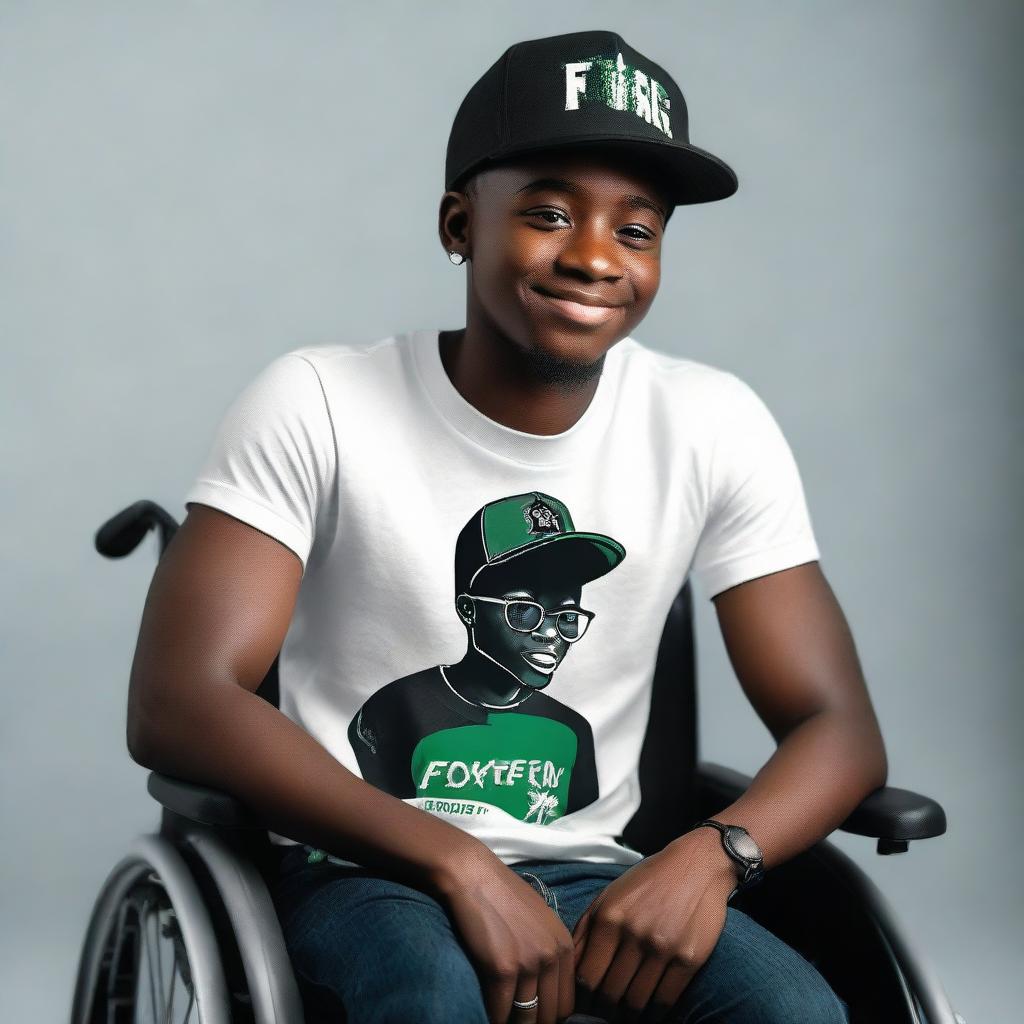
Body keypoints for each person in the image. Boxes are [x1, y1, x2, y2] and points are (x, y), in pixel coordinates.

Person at [126, 28, 883, 1024]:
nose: (593, 257)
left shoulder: (709, 423)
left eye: (636, 230)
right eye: (549, 213)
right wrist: (457, 862)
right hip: (363, 867)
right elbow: (177, 701)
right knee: (428, 996)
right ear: (459, 223)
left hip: (598, 884)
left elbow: (840, 728)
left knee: (796, 1011)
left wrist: (711, 856)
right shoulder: (316, 401)